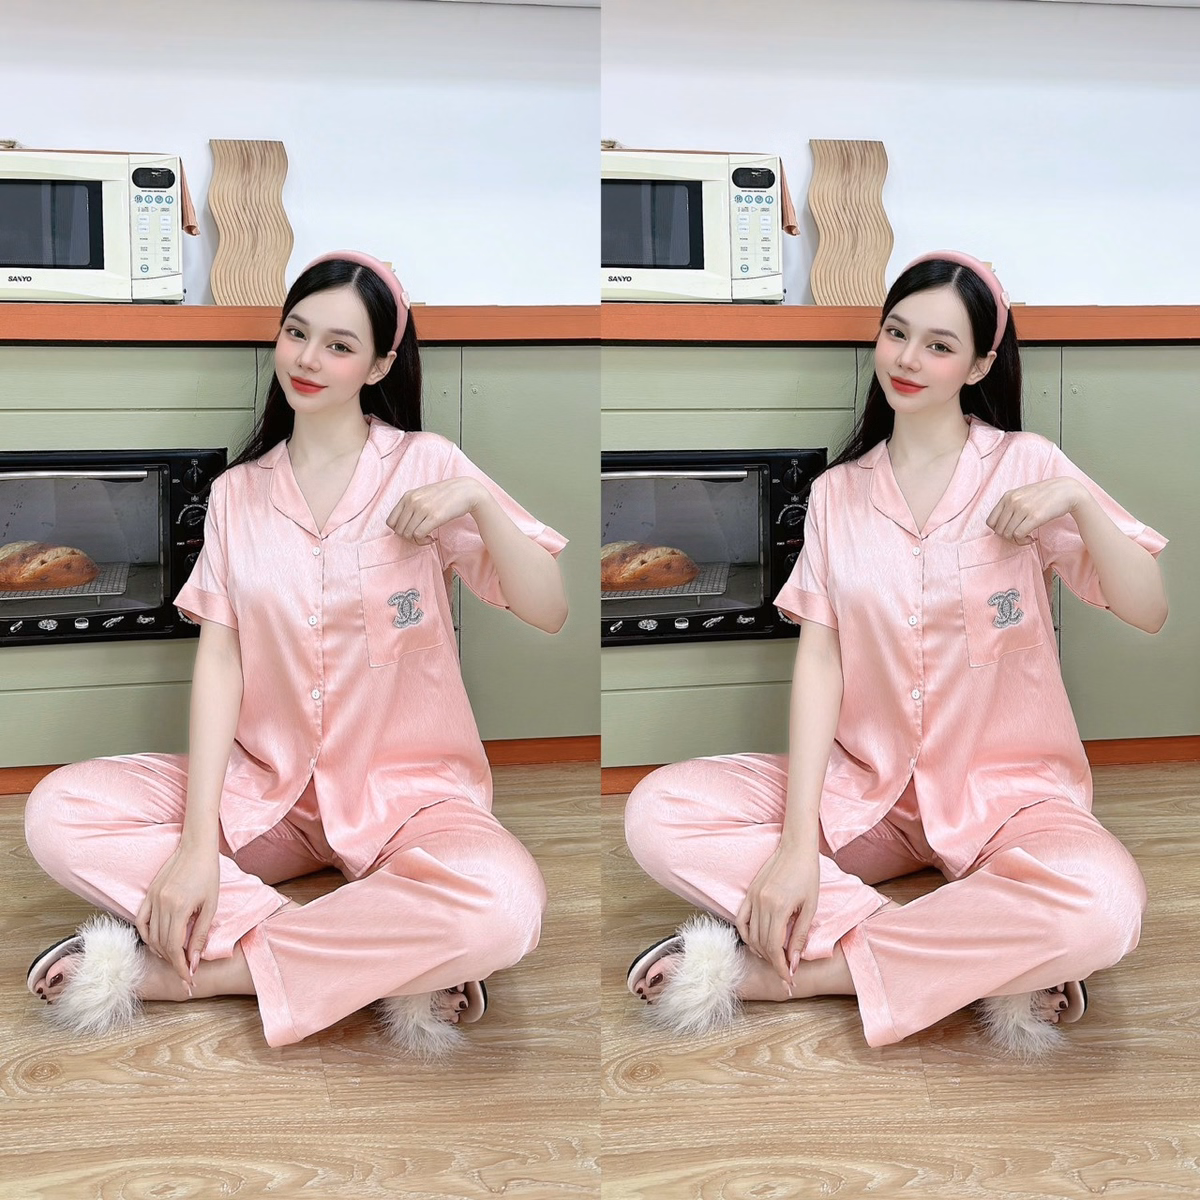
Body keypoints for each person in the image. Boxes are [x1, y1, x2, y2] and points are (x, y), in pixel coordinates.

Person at [24, 250, 568, 1056]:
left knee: (506, 907)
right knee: (59, 810)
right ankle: (378, 956)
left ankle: (209, 972)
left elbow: (549, 609)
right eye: (296, 333)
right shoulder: (237, 495)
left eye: (340, 345)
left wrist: (479, 500)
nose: (308, 360)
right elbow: (220, 663)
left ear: (379, 364)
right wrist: (196, 847)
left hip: (411, 800)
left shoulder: (427, 466)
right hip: (266, 792)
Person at [624, 251, 1167, 1056]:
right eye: (896, 333)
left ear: (979, 364)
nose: (908, 360)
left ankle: (809, 972)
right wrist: (796, 847)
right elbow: (821, 662)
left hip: (1011, 800)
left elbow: (1148, 609)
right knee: (658, 810)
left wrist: (1080, 501)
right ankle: (976, 957)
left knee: (1105, 905)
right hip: (866, 791)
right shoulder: (838, 495)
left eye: (940, 345)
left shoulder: (1028, 466)